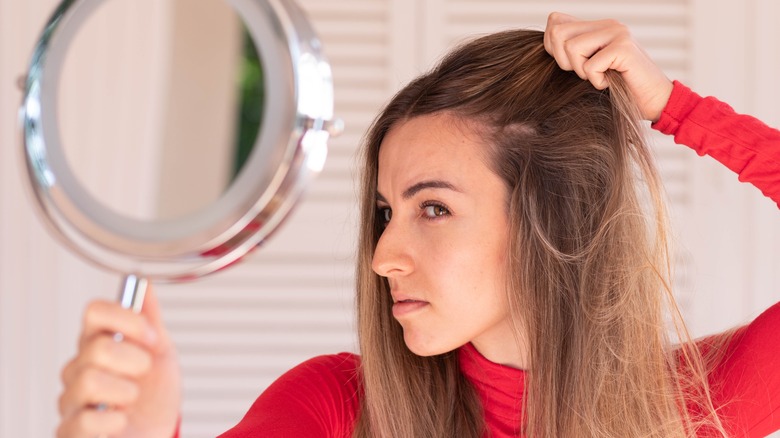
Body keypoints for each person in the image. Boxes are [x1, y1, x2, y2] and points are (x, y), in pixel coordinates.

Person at [56, 12, 780, 438]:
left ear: (552, 217)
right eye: (383, 212)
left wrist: (672, 106)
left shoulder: (692, 411)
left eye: (433, 207)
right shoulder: (335, 409)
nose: (383, 256)